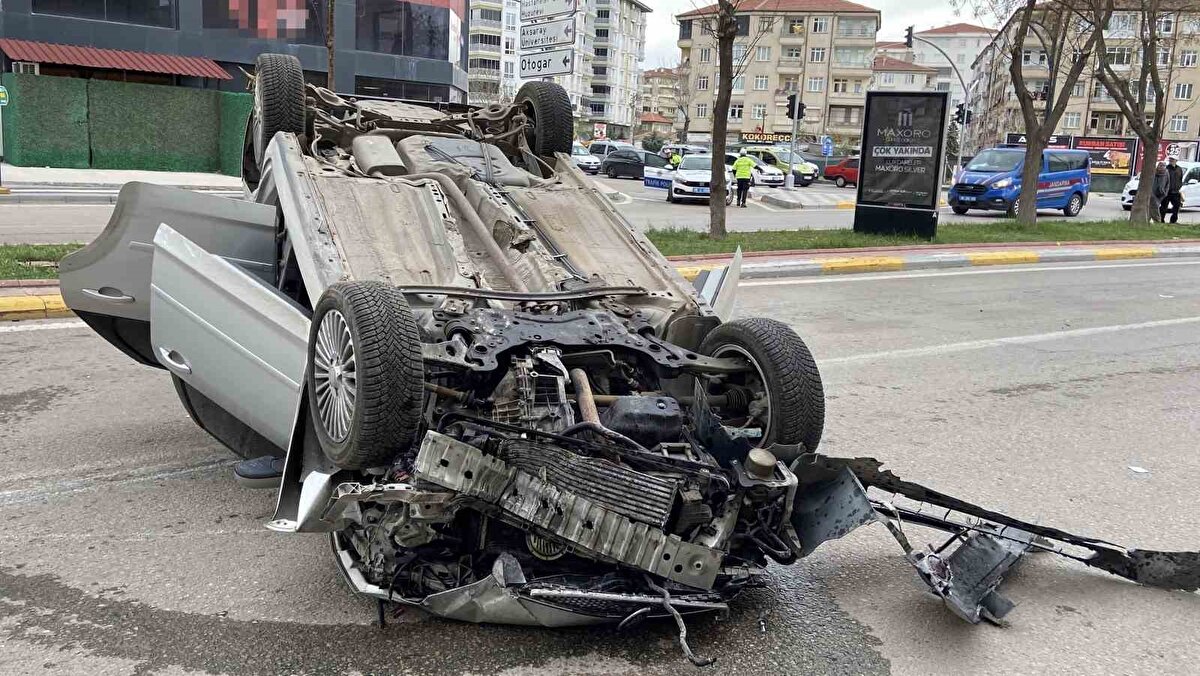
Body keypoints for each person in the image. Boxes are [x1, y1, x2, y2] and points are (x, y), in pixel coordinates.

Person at [1161, 156, 1184, 223]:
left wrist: (1179, 186)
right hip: (1167, 191)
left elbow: (1180, 179)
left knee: (1176, 206)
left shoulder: (1179, 169)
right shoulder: (1166, 169)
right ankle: (1161, 220)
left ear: (1176, 160)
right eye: (1170, 159)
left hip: (1176, 192)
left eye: (1172, 159)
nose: (1171, 160)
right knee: (1164, 207)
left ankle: (1173, 221)